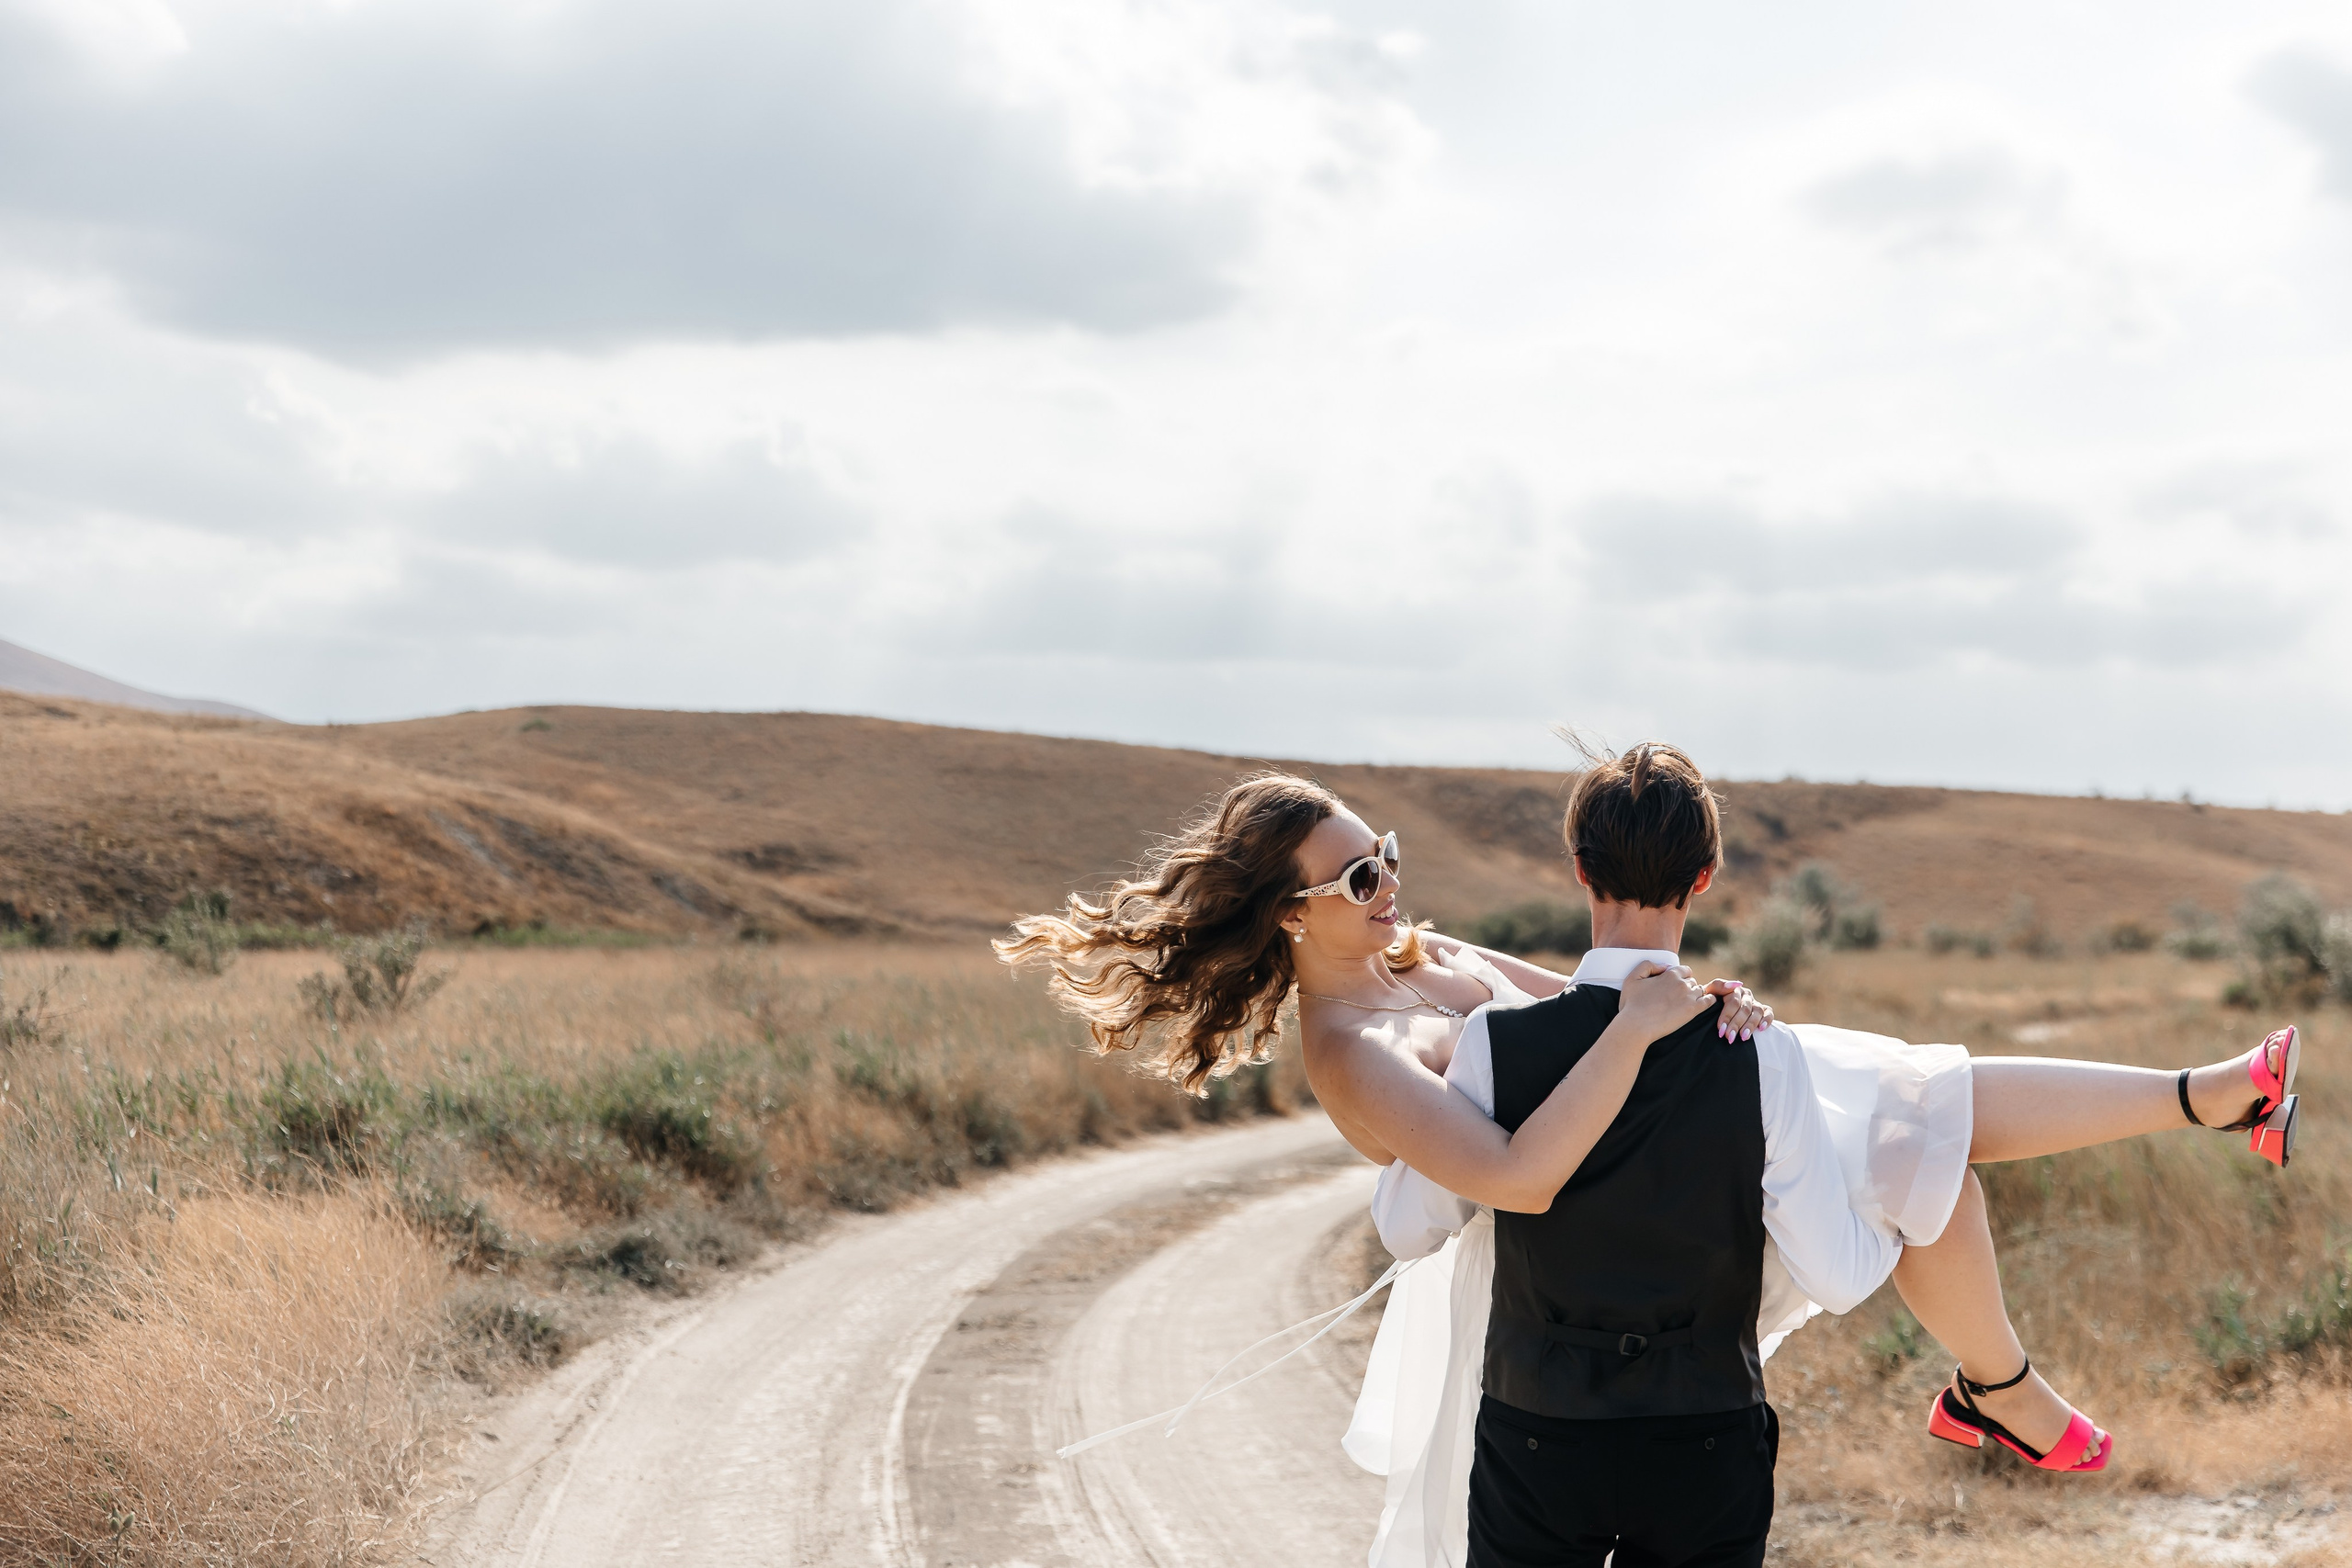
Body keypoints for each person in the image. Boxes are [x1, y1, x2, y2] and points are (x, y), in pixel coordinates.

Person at [999, 757, 2301, 1566]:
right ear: (1288, 912)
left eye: (1384, 856)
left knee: (1888, 1088)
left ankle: (2205, 1102)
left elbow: (1585, 995)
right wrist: (1637, 1028)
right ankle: (2019, 1364)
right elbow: (1513, 1174)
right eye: (1355, 880)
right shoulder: (1348, 1044)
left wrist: (1696, 1009)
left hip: (1629, 1172)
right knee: (1891, 1115)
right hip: (1548, 1282)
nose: (1388, 886)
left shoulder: (1421, 959)